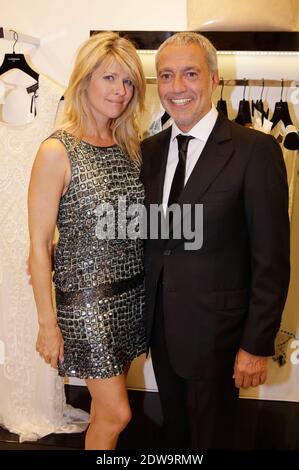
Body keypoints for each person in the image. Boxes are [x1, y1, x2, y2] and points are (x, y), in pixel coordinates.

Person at [141, 32, 290, 449]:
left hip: (221, 339)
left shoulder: (254, 151)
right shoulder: (148, 151)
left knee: (216, 440)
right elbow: (149, 238)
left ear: (214, 79)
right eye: (166, 75)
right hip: (162, 331)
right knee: (177, 436)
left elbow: (272, 261)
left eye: (190, 73)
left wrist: (256, 345)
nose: (177, 87)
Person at [28, 31, 146, 450]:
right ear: (85, 80)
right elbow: (39, 247)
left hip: (133, 298)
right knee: (118, 413)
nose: (121, 90)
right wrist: (48, 324)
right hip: (87, 304)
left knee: (102, 410)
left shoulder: (130, 146)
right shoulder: (57, 150)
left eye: (129, 81)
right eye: (110, 78)